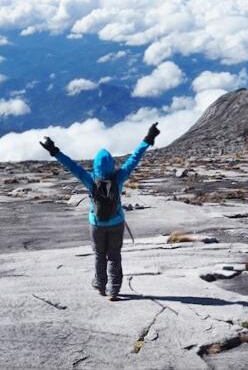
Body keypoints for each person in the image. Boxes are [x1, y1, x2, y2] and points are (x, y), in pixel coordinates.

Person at [40, 122, 159, 301]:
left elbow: (72, 166)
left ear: (95, 166)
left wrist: (54, 150)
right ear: (111, 164)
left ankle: (100, 285)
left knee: (99, 255)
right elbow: (134, 158)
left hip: (96, 224)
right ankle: (114, 290)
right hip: (116, 223)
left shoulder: (90, 180)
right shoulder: (119, 178)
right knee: (114, 256)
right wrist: (148, 138)